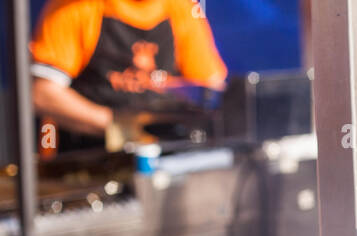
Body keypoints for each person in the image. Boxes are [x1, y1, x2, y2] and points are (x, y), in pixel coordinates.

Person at [29, 0, 226, 151]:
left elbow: (210, 87)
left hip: (164, 158)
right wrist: (119, 127)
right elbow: (42, 93)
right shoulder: (76, 7)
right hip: (88, 162)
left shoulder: (181, 7)